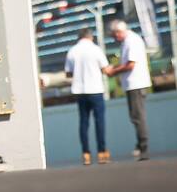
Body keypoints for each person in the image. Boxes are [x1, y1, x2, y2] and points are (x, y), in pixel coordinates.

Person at [64, 28, 113, 164]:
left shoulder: (72, 51)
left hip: (80, 91)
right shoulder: (96, 49)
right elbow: (105, 69)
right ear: (91, 37)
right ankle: (102, 152)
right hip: (95, 90)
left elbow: (68, 74)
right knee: (99, 121)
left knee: (84, 123)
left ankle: (86, 153)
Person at [106, 19, 152, 160]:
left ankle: (142, 146)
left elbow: (130, 65)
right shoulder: (128, 41)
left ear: (119, 32)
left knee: (138, 116)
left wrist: (114, 70)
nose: (114, 38)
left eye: (114, 35)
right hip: (133, 84)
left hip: (136, 84)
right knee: (136, 116)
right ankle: (141, 144)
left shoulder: (131, 41)